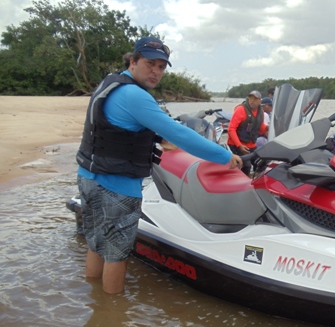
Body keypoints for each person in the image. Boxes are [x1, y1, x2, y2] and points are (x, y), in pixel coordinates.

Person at [76, 36, 242, 294]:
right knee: (116, 254)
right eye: (150, 63)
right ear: (133, 61)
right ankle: (111, 318)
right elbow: (180, 134)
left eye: (162, 67)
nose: (156, 71)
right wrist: (224, 156)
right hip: (116, 186)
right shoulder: (134, 95)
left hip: (88, 177)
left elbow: (123, 126)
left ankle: (92, 301)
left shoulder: (111, 83)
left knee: (96, 243)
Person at [227, 90, 268, 175]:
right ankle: (241, 183)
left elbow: (261, 128)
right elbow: (231, 129)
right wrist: (239, 145)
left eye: (255, 99)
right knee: (246, 166)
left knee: (262, 162)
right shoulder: (240, 109)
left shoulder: (261, 111)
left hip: (251, 144)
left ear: (260, 101)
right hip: (236, 144)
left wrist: (269, 128)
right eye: (250, 98)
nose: (252, 100)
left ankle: (257, 180)